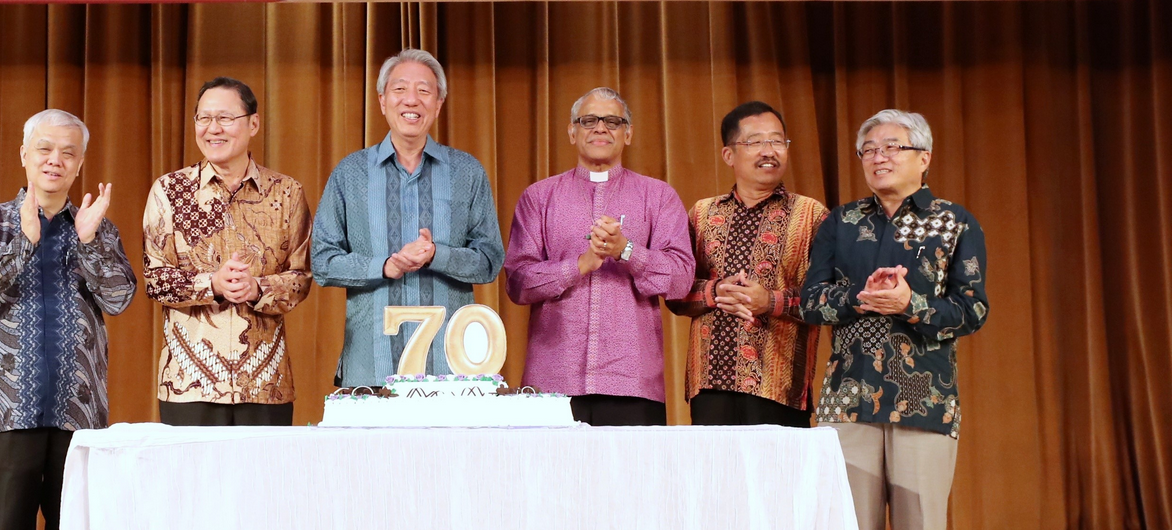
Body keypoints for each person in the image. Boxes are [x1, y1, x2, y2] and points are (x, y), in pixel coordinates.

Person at [802, 109, 989, 530]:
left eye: (891, 147)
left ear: (924, 158)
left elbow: (972, 310)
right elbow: (810, 303)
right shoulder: (840, 222)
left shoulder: (955, 223)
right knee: (846, 523)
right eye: (868, 150)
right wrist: (860, 297)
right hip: (848, 400)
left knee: (919, 523)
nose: (878, 157)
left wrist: (911, 304)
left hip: (925, 403)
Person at [0, 109, 135, 530]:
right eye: (45, 149)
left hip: (79, 412)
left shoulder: (98, 228)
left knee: (76, 524)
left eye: (68, 153)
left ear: (80, 163)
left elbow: (119, 300)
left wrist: (89, 241)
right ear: (24, 154)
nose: (56, 160)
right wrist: (23, 243)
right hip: (8, 409)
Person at [311, 48, 505, 387]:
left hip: (450, 370)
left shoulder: (467, 172)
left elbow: (489, 261)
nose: (411, 100)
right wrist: (385, 266)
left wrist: (436, 255)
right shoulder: (350, 172)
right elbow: (322, 262)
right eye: (400, 89)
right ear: (382, 101)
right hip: (370, 367)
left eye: (424, 90)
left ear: (438, 104)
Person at [504, 87, 694, 426]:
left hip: (632, 382)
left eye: (612, 121)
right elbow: (518, 282)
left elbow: (681, 279)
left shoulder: (658, 196)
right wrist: (579, 265)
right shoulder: (539, 197)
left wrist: (626, 251)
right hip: (553, 381)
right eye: (589, 120)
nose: (600, 128)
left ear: (628, 133)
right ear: (572, 132)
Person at [142, 77, 312, 426]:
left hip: (267, 385)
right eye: (203, 118)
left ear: (253, 124)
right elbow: (155, 279)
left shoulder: (286, 192)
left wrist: (258, 288)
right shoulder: (170, 190)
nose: (213, 128)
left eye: (224, 118)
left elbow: (302, 277)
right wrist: (213, 285)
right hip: (188, 384)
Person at [667, 101, 828, 427]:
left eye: (777, 141)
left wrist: (770, 301)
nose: (769, 151)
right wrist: (715, 292)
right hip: (710, 386)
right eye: (755, 142)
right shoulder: (702, 214)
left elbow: (829, 300)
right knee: (713, 463)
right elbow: (674, 291)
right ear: (729, 155)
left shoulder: (811, 215)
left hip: (779, 387)